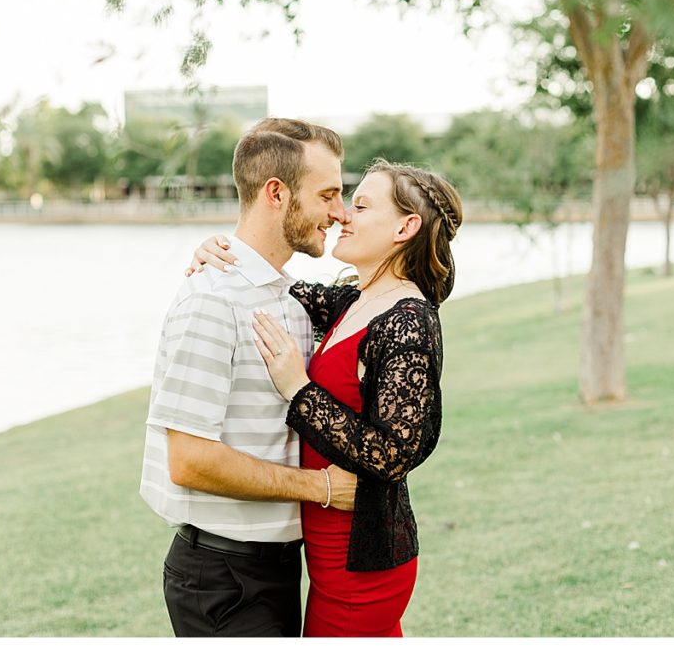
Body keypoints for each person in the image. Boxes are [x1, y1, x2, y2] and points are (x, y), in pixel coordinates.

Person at [186, 158, 463, 637]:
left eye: (360, 204)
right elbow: (272, 283)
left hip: (362, 560)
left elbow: (391, 453)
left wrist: (299, 388)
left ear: (406, 226)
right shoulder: (353, 300)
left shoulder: (409, 320)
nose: (343, 216)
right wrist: (219, 249)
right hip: (325, 547)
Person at [139, 117, 361, 637]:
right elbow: (190, 461)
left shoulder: (287, 296)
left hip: (275, 567)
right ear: (276, 193)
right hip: (224, 576)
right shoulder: (213, 300)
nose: (339, 212)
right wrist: (321, 487)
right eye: (328, 194)